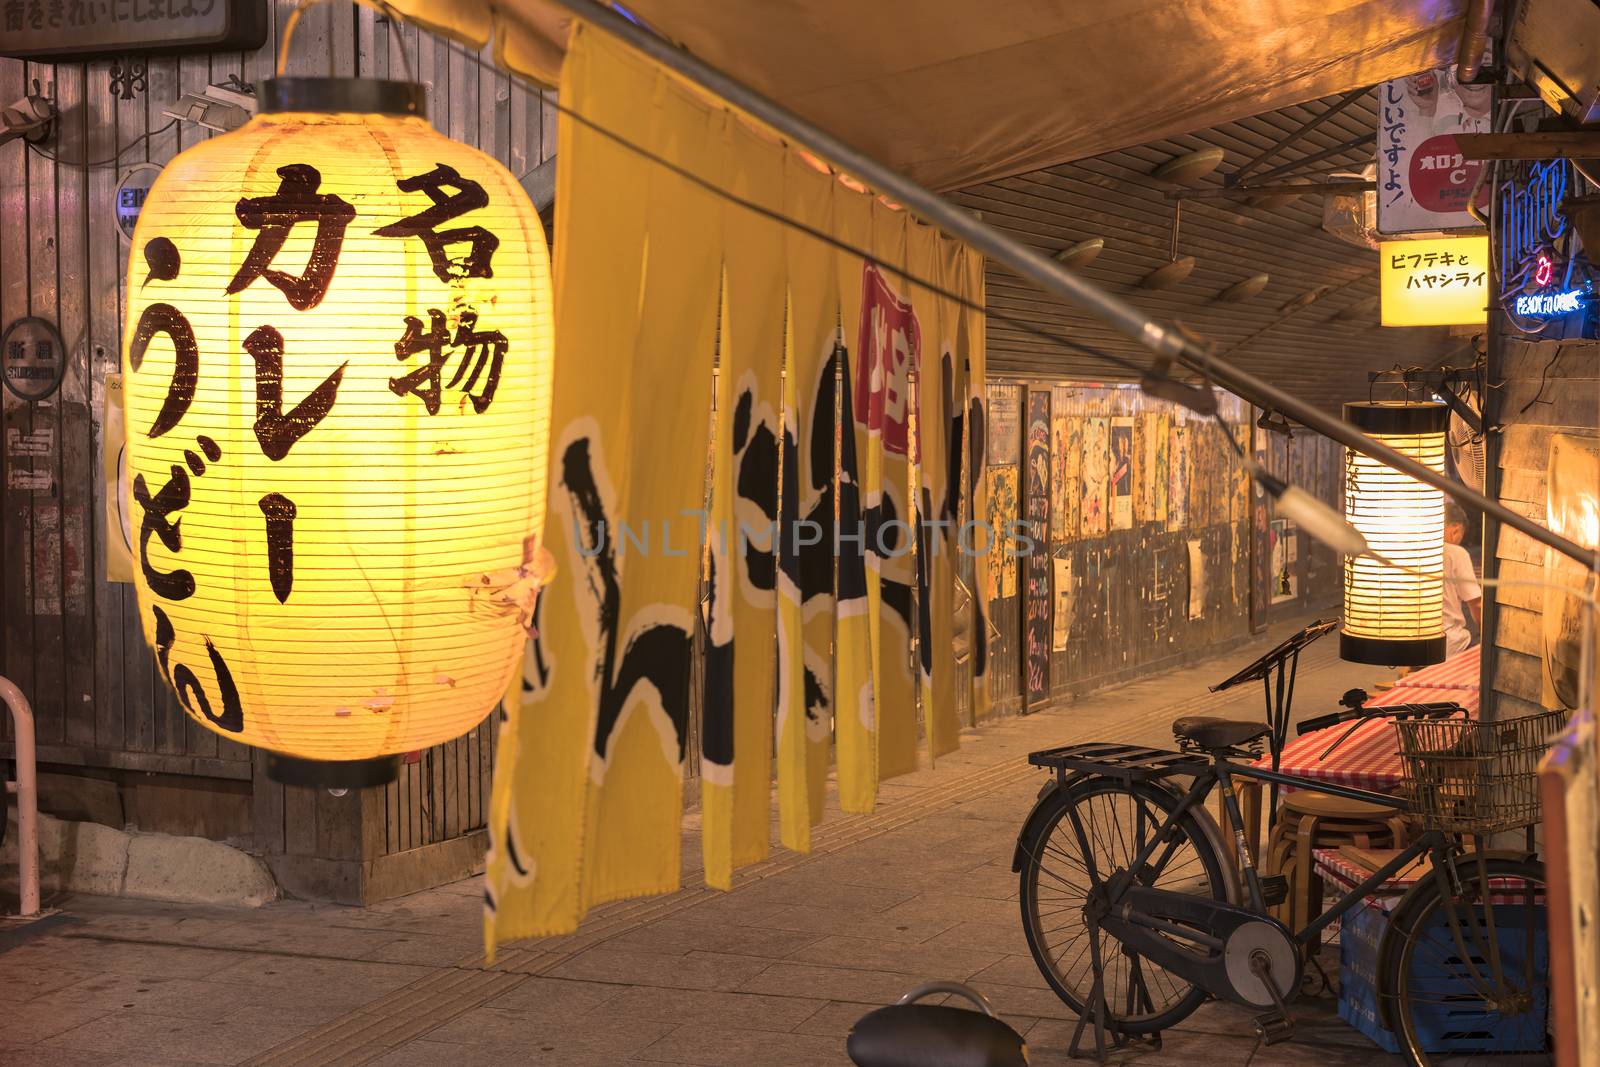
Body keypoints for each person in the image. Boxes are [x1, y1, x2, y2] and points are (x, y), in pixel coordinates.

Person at [1442, 502, 1483, 657]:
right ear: (1456, 529)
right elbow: (1477, 604)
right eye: (1461, 535)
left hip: (1411, 645)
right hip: (1450, 645)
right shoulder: (1456, 553)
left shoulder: (1408, 550)